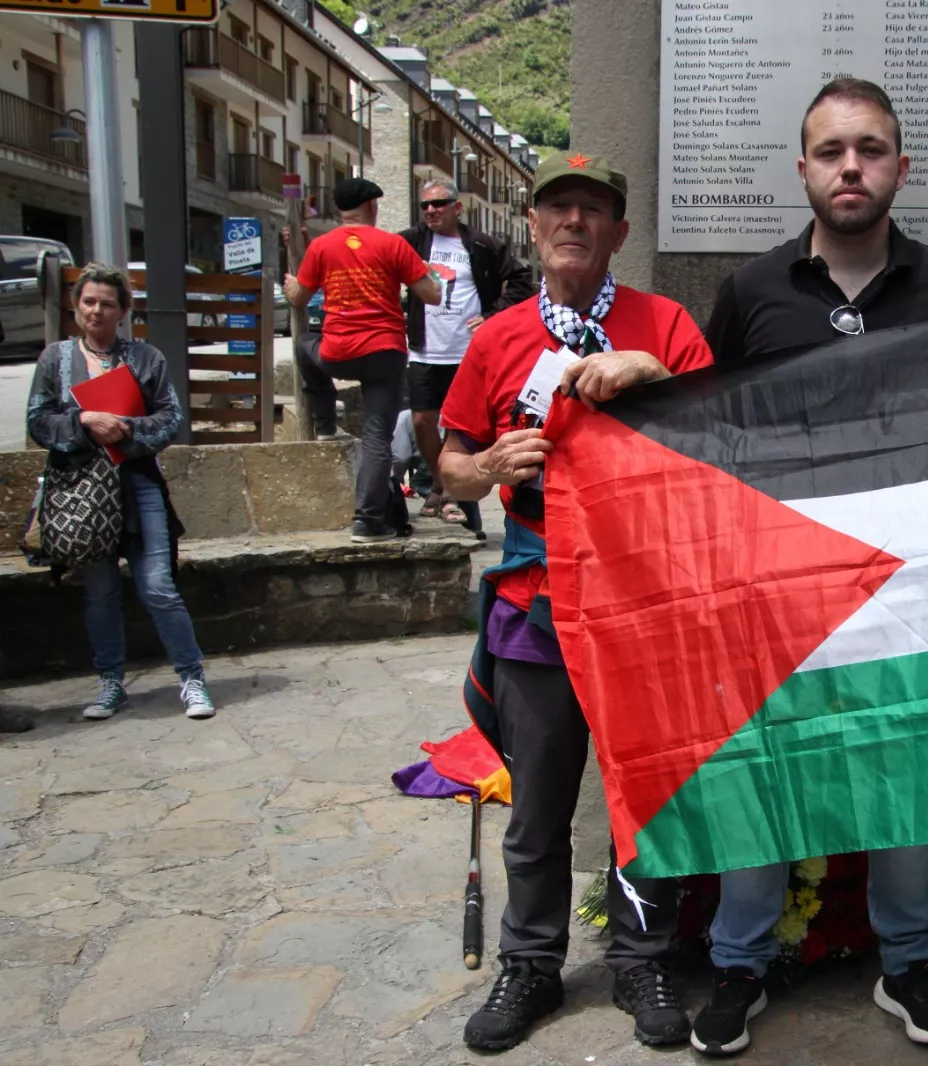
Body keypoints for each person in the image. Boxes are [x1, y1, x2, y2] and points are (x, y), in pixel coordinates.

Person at [695, 76, 928, 1057]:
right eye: (830, 150)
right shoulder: (750, 291)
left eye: (869, 149)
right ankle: (739, 962)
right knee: (764, 774)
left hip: (905, 582)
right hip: (777, 581)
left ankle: (908, 964)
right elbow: (708, 426)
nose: (849, 166)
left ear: (902, 166)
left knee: (905, 772)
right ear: (803, 168)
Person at [438, 152, 713, 1053]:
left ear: (620, 232)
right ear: (533, 222)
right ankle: (532, 963)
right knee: (539, 803)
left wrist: (650, 373)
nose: (575, 222)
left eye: (594, 210)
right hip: (536, 599)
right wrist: (482, 469)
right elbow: (448, 463)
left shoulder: (664, 323)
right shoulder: (496, 338)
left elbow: (721, 441)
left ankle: (642, 957)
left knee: (646, 797)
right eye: (558, 206)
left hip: (644, 601)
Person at [26, 263, 216, 721]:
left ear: (123, 311)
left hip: (137, 486)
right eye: (89, 301)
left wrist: (124, 428)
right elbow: (38, 421)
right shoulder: (55, 359)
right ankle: (111, 683)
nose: (97, 310)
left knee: (157, 586)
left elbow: (170, 419)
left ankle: (191, 678)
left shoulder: (146, 359)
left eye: (107, 303)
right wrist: (84, 421)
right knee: (100, 591)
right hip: (80, 491)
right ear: (76, 307)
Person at [284, 177, 442, 543]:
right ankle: (368, 521)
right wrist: (426, 269)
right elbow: (431, 294)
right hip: (384, 354)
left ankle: (324, 425)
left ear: (340, 209)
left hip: (336, 353)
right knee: (377, 438)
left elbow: (297, 298)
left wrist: (294, 280)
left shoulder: (321, 247)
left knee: (304, 345)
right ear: (372, 206)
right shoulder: (393, 245)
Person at [400, 178, 534, 524]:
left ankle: (447, 493)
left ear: (457, 208)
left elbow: (520, 278)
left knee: (457, 429)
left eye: (439, 204)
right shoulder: (413, 241)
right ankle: (440, 481)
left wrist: (491, 316)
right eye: (425, 205)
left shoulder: (480, 244)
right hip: (425, 349)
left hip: (466, 351)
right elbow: (378, 255)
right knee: (422, 420)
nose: (431, 210)